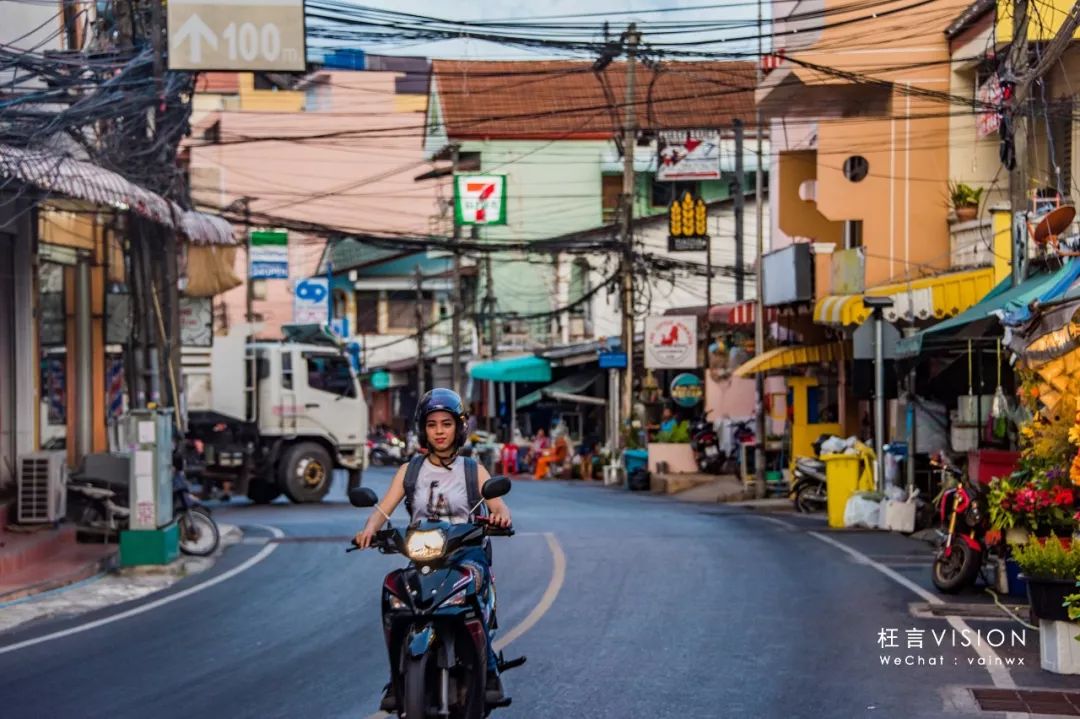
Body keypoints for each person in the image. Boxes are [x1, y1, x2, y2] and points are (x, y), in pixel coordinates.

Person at [354, 388, 512, 711]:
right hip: (422, 555)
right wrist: (369, 530)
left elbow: (501, 508)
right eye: (432, 424)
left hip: (465, 553)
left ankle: (490, 671)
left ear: (459, 427)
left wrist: (499, 518)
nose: (439, 431)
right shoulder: (410, 470)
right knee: (393, 592)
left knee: (475, 589)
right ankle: (398, 677)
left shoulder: (472, 470)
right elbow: (383, 510)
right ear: (423, 429)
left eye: (446, 424)